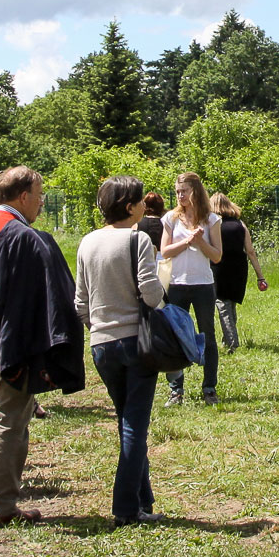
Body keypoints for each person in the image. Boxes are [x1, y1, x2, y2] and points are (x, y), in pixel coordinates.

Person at [0, 166, 88, 528]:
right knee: (12, 417)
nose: (42, 202)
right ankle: (1, 504)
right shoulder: (16, 233)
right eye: (40, 194)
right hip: (7, 336)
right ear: (23, 196)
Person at [75, 177, 168, 528]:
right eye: (140, 200)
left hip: (101, 344)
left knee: (126, 422)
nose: (145, 205)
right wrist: (160, 295)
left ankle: (142, 501)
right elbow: (150, 294)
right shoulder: (138, 239)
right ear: (129, 206)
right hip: (137, 343)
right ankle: (126, 509)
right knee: (134, 427)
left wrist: (99, 328)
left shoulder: (87, 242)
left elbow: (80, 302)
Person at [160, 173, 224, 405]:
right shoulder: (170, 218)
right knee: (176, 336)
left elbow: (217, 256)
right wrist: (187, 242)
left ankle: (209, 388)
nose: (180, 196)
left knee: (208, 336)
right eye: (177, 191)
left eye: (184, 191)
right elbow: (164, 251)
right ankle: (176, 391)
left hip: (203, 285)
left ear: (196, 191)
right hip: (177, 284)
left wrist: (201, 243)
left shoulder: (212, 220)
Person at [208, 192, 267, 354]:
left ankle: (232, 342)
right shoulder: (240, 224)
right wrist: (260, 276)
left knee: (222, 304)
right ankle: (228, 338)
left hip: (219, 267)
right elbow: (250, 251)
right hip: (239, 268)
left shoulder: (213, 224)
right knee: (230, 303)